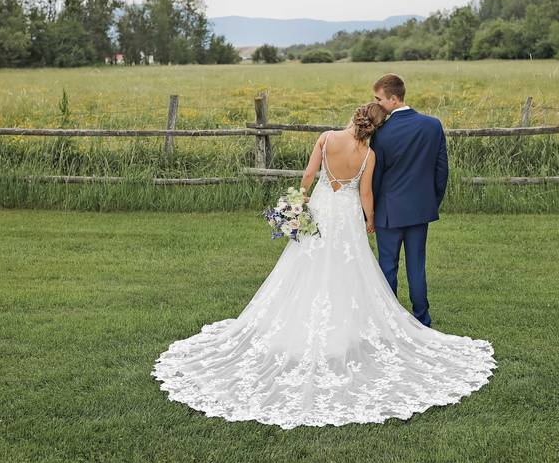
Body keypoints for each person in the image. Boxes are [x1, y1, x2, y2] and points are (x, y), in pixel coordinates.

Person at [152, 101, 495, 430]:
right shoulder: (369, 154)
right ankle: (346, 333)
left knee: (305, 267)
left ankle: (300, 329)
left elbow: (308, 174)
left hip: (319, 208)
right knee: (350, 272)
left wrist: (296, 206)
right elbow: (365, 196)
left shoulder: (327, 138)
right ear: (375, 128)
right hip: (346, 217)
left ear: (355, 116)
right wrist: (371, 221)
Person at [370, 73, 447, 327]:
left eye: (379, 99)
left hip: (388, 212)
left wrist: (370, 211)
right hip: (420, 209)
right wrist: (430, 203)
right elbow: (441, 172)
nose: (377, 103)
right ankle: (422, 320)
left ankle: (389, 323)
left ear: (393, 99)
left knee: (387, 269)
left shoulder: (381, 133)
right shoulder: (433, 125)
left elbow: (376, 177)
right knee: (417, 267)